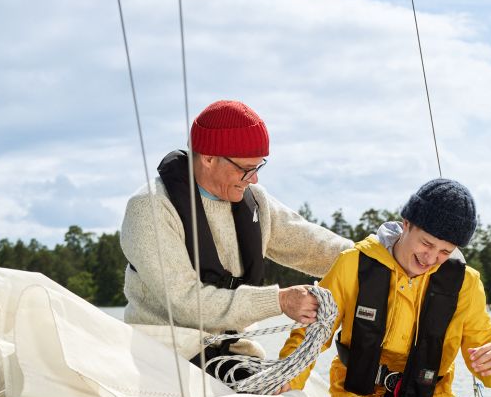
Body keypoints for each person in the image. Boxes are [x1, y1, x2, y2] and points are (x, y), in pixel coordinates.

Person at [280, 179, 491, 397]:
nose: (431, 258)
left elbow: (484, 343)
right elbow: (312, 334)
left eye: (445, 251)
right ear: (406, 224)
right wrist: (287, 379)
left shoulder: (466, 283)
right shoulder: (354, 264)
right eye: (426, 244)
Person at [120, 99, 350, 377]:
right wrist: (279, 301)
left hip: (232, 356)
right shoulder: (150, 207)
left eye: (258, 167)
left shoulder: (255, 201)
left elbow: (313, 246)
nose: (253, 179)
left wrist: (376, 254)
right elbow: (185, 303)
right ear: (208, 158)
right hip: (164, 355)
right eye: (246, 169)